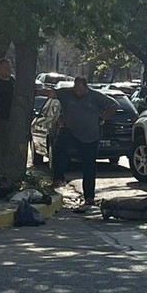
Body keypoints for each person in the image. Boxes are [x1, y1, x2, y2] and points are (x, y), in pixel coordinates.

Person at [52, 77, 117, 212]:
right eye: (76, 90)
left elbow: (114, 105)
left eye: (81, 90)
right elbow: (51, 93)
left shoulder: (96, 96)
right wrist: (34, 90)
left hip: (90, 136)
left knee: (89, 165)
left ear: (86, 88)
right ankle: (59, 178)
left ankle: (89, 196)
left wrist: (102, 118)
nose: (78, 93)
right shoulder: (66, 93)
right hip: (70, 131)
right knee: (59, 149)